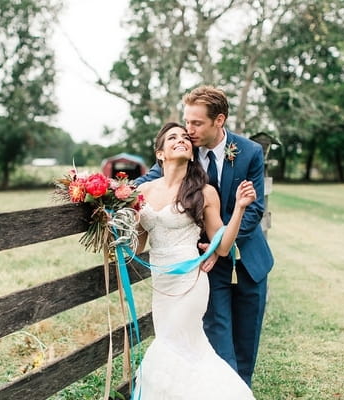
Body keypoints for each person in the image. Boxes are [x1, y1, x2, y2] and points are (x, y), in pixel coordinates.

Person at [134, 86, 274, 388]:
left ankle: (241, 390)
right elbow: (151, 179)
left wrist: (221, 244)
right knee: (219, 340)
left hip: (249, 258)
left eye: (196, 123)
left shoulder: (248, 151)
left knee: (247, 341)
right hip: (206, 266)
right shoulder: (184, 147)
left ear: (219, 121)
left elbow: (255, 208)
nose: (188, 129)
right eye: (187, 121)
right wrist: (108, 190)